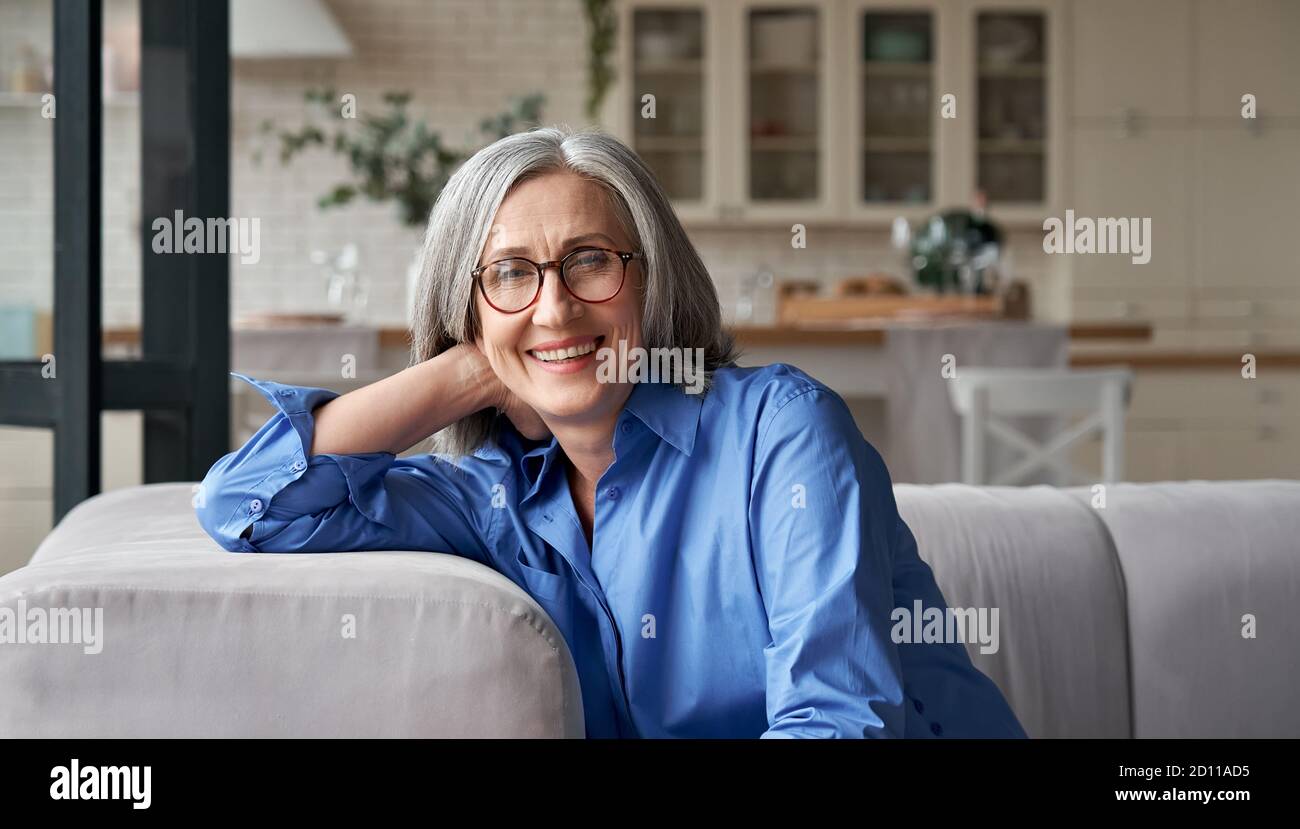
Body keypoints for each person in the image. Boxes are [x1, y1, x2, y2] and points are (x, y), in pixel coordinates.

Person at [196, 126, 1027, 739]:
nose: (556, 305)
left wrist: (516, 334)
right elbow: (249, 504)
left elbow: (842, 722)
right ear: (466, 308)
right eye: (510, 274)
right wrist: (475, 365)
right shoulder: (495, 500)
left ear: (650, 281)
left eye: (590, 260)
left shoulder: (781, 431)